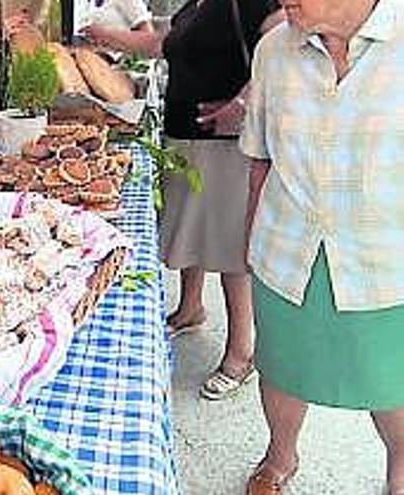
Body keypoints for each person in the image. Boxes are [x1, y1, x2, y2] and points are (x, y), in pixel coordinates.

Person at [240, 0, 404, 492]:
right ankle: (280, 456)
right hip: (287, 247)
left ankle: (400, 468)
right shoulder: (274, 50)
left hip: (385, 258)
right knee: (283, 364)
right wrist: (251, 245)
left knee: (392, 378)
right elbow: (260, 158)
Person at [83, 0, 284, 400]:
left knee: (230, 249)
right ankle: (191, 308)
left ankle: (241, 352)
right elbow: (163, 45)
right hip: (186, 135)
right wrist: (105, 37)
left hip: (226, 140)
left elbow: (279, 51)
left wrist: (243, 105)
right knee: (194, 232)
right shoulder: (198, 4)